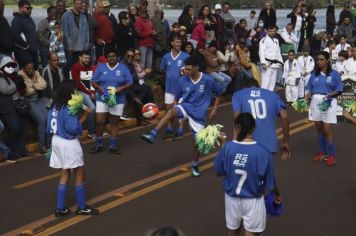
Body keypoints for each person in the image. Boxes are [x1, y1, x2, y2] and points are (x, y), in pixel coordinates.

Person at [141, 56, 222, 177]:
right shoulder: (182, 80)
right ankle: (153, 134)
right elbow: (177, 97)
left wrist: (214, 109)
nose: (187, 71)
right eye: (186, 69)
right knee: (171, 112)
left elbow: (219, 93)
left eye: (189, 69)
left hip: (199, 113)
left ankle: (195, 164)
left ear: (196, 68)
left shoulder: (207, 80)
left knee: (196, 144)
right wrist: (174, 111)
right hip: (186, 106)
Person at [214, 113, 280, 236]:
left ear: (236, 127)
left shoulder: (228, 147)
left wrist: (223, 144)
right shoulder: (263, 151)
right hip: (252, 200)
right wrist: (277, 195)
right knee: (251, 233)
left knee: (233, 230)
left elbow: (219, 171)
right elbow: (270, 182)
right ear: (254, 128)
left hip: (231, 199)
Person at [47, 80, 99, 217]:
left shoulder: (54, 106)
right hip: (68, 143)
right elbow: (72, 129)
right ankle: (81, 207)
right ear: (70, 92)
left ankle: (60, 208)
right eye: (75, 90)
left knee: (65, 173)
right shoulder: (68, 108)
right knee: (79, 173)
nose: (77, 92)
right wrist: (85, 116)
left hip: (56, 141)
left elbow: (50, 127)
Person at [232, 79, 290, 158]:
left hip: (246, 142)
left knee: (246, 169)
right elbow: (284, 116)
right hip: (269, 144)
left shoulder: (238, 95)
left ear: (244, 87)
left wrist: (235, 142)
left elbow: (236, 117)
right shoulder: (273, 95)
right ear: (258, 86)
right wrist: (285, 141)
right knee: (265, 168)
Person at [90, 49, 133, 154]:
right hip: (103, 96)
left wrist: (120, 89)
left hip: (118, 98)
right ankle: (98, 144)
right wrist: (99, 88)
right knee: (100, 121)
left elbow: (130, 82)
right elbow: (93, 81)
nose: (111, 58)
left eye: (113, 56)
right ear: (107, 58)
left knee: (114, 122)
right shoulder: (101, 67)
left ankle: (113, 145)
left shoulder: (123, 68)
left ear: (117, 57)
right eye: (109, 56)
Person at [304, 51, 343, 166]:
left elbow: (339, 89)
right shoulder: (314, 74)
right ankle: (323, 152)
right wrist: (305, 98)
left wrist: (331, 94)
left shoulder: (334, 74)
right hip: (315, 102)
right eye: (318, 60)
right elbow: (310, 90)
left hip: (329, 101)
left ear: (327, 60)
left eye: (321, 59)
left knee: (327, 129)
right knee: (319, 128)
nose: (319, 62)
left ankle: (331, 155)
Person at [159, 35, 190, 139]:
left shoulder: (185, 56)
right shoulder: (166, 56)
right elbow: (162, 69)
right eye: (176, 42)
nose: (178, 44)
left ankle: (180, 130)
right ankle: (169, 129)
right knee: (168, 111)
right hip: (169, 88)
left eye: (180, 42)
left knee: (179, 110)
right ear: (172, 43)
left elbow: (191, 70)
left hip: (181, 89)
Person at [0, 57, 29, 159]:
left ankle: (22, 150)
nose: (11, 68)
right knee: (15, 128)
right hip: (6, 109)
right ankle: (14, 150)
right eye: (9, 65)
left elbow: (20, 91)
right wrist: (16, 85)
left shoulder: (12, 76)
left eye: (12, 66)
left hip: (16, 106)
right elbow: (5, 90)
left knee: (20, 128)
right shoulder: (1, 77)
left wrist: (21, 85)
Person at [18, 62, 50, 153]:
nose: (31, 70)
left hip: (38, 100)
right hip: (28, 102)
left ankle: (49, 144)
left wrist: (33, 86)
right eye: (29, 68)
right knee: (42, 120)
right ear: (24, 68)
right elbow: (27, 92)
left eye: (32, 68)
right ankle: (42, 146)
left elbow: (44, 84)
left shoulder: (36, 73)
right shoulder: (20, 75)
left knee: (48, 118)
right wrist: (36, 87)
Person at [70, 50, 96, 138]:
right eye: (85, 58)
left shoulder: (90, 67)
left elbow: (92, 81)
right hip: (79, 92)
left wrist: (93, 92)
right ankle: (91, 132)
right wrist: (90, 93)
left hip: (90, 92)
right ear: (80, 57)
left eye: (88, 58)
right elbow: (78, 84)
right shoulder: (75, 67)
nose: (87, 60)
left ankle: (99, 128)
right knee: (92, 108)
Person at [61, 0, 90, 77]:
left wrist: (86, 45)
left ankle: (77, 82)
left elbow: (86, 31)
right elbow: (65, 31)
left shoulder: (83, 16)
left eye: (80, 4)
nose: (79, 5)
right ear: (73, 4)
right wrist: (70, 46)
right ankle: (65, 79)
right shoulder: (66, 15)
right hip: (70, 47)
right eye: (77, 3)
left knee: (79, 66)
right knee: (69, 64)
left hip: (81, 46)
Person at [11, 0, 39, 69]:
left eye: (31, 8)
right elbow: (16, 36)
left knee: (35, 73)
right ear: (20, 9)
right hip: (24, 53)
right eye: (27, 8)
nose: (30, 10)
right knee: (25, 75)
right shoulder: (16, 20)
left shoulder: (29, 19)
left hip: (34, 52)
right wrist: (27, 46)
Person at [259, 25, 283, 91]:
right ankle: (263, 97)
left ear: (275, 31)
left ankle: (270, 97)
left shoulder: (276, 40)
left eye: (273, 31)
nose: (272, 32)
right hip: (267, 64)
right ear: (267, 31)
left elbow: (278, 52)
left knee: (272, 83)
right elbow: (261, 52)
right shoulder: (264, 40)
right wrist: (263, 63)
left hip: (275, 64)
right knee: (265, 82)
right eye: (270, 31)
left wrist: (281, 62)